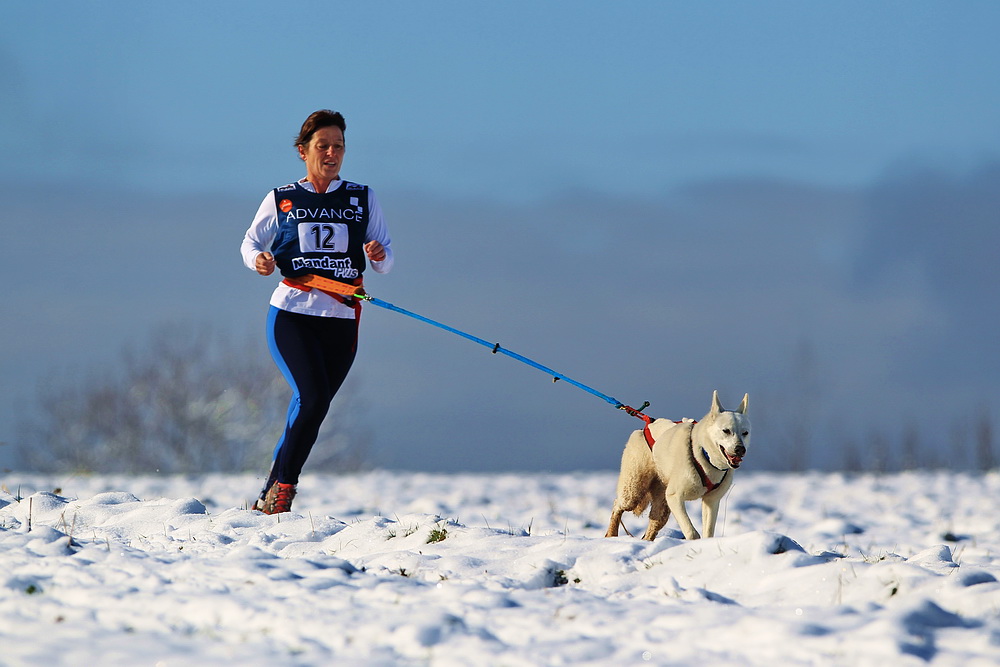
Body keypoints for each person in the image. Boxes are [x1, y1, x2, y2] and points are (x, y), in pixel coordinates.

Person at [240, 110, 393, 514]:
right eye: (322, 146)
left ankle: (269, 494)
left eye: (338, 146)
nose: (331, 153)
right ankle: (285, 489)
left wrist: (378, 254)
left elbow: (386, 258)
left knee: (312, 406)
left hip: (341, 319)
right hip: (292, 312)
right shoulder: (283, 198)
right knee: (312, 398)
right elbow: (250, 242)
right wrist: (259, 259)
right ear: (303, 151)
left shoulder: (362, 197)